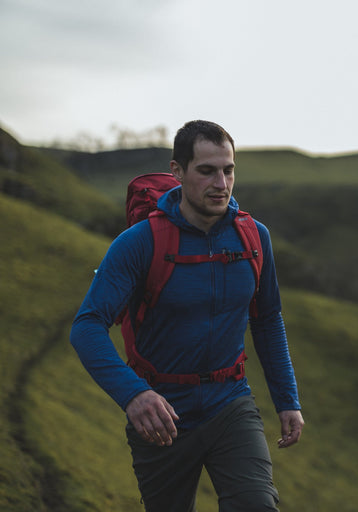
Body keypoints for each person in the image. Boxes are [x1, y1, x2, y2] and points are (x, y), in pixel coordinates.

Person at [70, 120, 303, 512]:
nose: (221, 184)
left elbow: (267, 318)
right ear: (178, 172)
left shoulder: (253, 237)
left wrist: (287, 399)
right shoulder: (140, 243)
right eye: (207, 171)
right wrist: (134, 395)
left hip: (229, 403)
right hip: (161, 416)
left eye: (228, 170)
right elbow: (87, 326)